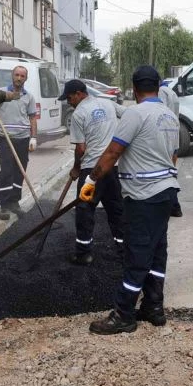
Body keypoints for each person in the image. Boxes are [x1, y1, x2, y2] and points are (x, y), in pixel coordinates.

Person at [80, 65, 180, 335]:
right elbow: (173, 157)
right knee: (157, 251)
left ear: (134, 89)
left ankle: (124, 314)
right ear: (157, 86)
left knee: (137, 253)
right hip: (167, 192)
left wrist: (91, 180)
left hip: (144, 195)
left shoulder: (135, 114)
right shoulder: (169, 116)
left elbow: (113, 152)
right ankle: (154, 308)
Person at [60, 79, 124, 265]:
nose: (68, 102)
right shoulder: (107, 103)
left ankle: (83, 253)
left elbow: (81, 148)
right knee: (116, 209)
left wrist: (76, 168)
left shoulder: (79, 114)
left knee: (85, 210)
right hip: (112, 167)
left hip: (92, 173)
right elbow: (129, 115)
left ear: (80, 93)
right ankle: (123, 250)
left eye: (70, 97)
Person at [0, 65, 38, 220]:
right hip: (5, 138)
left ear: (25, 78)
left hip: (23, 138)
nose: (19, 78)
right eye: (17, 75)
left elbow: (33, 117)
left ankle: (14, 202)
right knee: (6, 171)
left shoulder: (29, 97)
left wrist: (34, 137)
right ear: (12, 76)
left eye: (22, 76)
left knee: (20, 171)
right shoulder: (1, 93)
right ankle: (4, 205)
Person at [158, 84, 183, 217]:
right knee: (170, 170)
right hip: (173, 130)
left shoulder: (161, 92)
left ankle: (172, 206)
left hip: (164, 132)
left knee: (163, 172)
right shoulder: (171, 92)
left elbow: (160, 111)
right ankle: (175, 206)